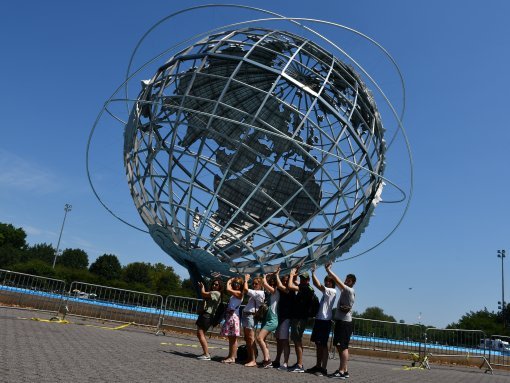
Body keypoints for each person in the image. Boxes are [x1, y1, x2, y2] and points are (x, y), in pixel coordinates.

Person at [325, 261, 356, 379]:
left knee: (343, 347)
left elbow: (337, 280)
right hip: (341, 322)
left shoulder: (349, 290)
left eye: (349, 280)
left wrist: (329, 271)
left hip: (344, 323)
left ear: (352, 283)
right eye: (346, 279)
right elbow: (337, 282)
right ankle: (345, 370)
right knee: (340, 346)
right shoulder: (345, 291)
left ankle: (341, 371)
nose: (346, 281)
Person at [305, 264, 337, 376]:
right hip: (320, 319)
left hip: (325, 321)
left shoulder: (332, 292)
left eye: (329, 281)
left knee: (323, 345)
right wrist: (313, 273)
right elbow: (316, 284)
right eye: (326, 281)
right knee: (318, 345)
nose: (327, 282)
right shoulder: (326, 292)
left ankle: (323, 368)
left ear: (333, 283)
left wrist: (313, 272)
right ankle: (318, 366)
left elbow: (317, 284)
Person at [287, 267, 314, 373]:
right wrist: (295, 275)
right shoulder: (307, 288)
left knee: (297, 341)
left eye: (304, 279)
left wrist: (292, 274)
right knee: (298, 341)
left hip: (299, 319)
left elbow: (290, 285)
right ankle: (299, 363)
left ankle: (299, 365)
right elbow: (295, 282)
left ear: (308, 280)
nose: (302, 280)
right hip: (301, 318)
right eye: (301, 278)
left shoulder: (305, 288)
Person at [256, 272, 280, 368]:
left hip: (272, 319)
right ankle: (267, 358)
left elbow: (264, 284)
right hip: (267, 318)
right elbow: (265, 285)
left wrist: (264, 276)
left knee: (259, 338)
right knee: (263, 339)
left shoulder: (276, 291)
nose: (271, 283)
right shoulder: (270, 293)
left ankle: (267, 360)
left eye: (273, 281)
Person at [195, 278, 223, 360]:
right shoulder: (215, 293)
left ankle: (206, 354)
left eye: (216, 284)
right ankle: (206, 352)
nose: (214, 285)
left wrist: (202, 287)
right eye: (213, 284)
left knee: (200, 334)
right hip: (206, 315)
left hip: (207, 315)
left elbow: (203, 293)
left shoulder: (216, 293)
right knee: (200, 334)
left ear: (220, 286)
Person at [272, 270, 294, 370]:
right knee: (279, 340)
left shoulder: (291, 290)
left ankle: (285, 362)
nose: (285, 282)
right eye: (284, 280)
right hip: (279, 316)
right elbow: (276, 286)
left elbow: (280, 286)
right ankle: (277, 360)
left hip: (286, 317)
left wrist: (277, 274)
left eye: (287, 280)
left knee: (284, 340)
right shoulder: (281, 289)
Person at [242, 274, 265, 367]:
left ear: (260, 285)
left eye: (256, 284)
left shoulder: (260, 293)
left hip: (250, 316)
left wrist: (246, 280)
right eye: (253, 284)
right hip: (247, 316)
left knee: (251, 338)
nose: (254, 285)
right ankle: (250, 357)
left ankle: (253, 360)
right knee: (247, 339)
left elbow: (246, 289)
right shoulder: (255, 293)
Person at [220, 277, 244, 364]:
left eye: (238, 284)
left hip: (234, 317)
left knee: (233, 339)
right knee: (231, 338)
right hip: (230, 316)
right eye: (235, 283)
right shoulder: (234, 294)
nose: (236, 285)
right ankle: (230, 355)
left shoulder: (239, 293)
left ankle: (232, 357)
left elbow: (228, 289)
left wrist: (229, 281)